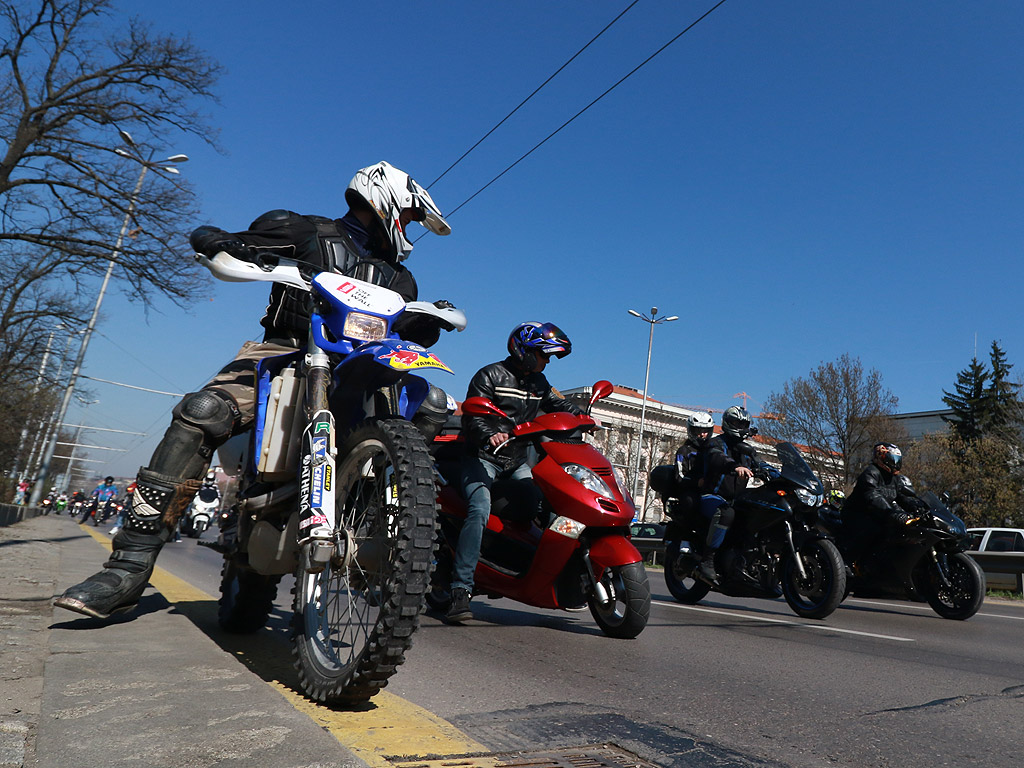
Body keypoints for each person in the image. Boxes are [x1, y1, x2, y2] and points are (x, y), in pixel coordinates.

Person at [55, 161, 452, 620]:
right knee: (202, 410)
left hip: (363, 366)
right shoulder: (304, 230)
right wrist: (224, 241)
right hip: (284, 348)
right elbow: (241, 243)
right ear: (385, 203)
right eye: (409, 218)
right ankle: (128, 567)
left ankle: (400, 533)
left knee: (432, 403)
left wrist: (425, 321)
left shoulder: (398, 278)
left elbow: (409, 329)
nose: (408, 230)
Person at [447, 322, 581, 624]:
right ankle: (460, 590)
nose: (546, 361)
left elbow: (559, 405)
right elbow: (472, 416)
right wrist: (488, 435)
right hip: (482, 457)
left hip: (518, 460)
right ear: (524, 351)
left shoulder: (539, 382)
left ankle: (560, 578)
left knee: (549, 506)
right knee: (478, 509)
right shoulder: (490, 375)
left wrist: (582, 415)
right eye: (542, 355)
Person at [696, 406, 765, 584]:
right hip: (711, 496)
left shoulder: (746, 450)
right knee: (726, 513)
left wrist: (775, 474)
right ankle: (707, 560)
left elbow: (761, 463)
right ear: (727, 423)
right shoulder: (716, 443)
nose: (741, 427)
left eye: (744, 424)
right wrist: (734, 466)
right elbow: (717, 457)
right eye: (737, 423)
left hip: (736, 499)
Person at [842, 443, 916, 568]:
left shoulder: (895, 479)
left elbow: (905, 498)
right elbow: (873, 496)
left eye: (897, 460)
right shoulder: (871, 473)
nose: (895, 463)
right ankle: (848, 564)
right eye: (892, 459)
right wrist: (892, 513)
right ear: (881, 457)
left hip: (879, 515)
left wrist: (920, 507)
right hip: (858, 514)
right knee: (873, 529)